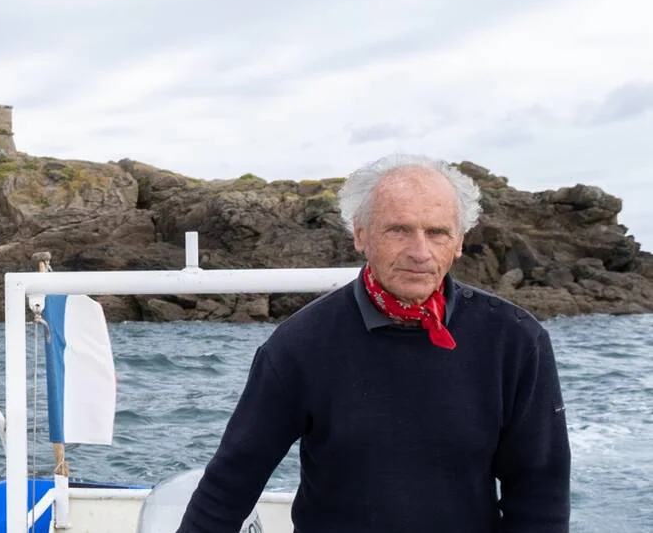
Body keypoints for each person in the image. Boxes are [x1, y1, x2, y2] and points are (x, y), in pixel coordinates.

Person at [178, 154, 571, 532]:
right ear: (361, 235)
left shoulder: (516, 341)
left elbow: (540, 497)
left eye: (436, 232)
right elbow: (232, 481)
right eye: (398, 230)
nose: (420, 252)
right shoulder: (299, 346)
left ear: (459, 242)